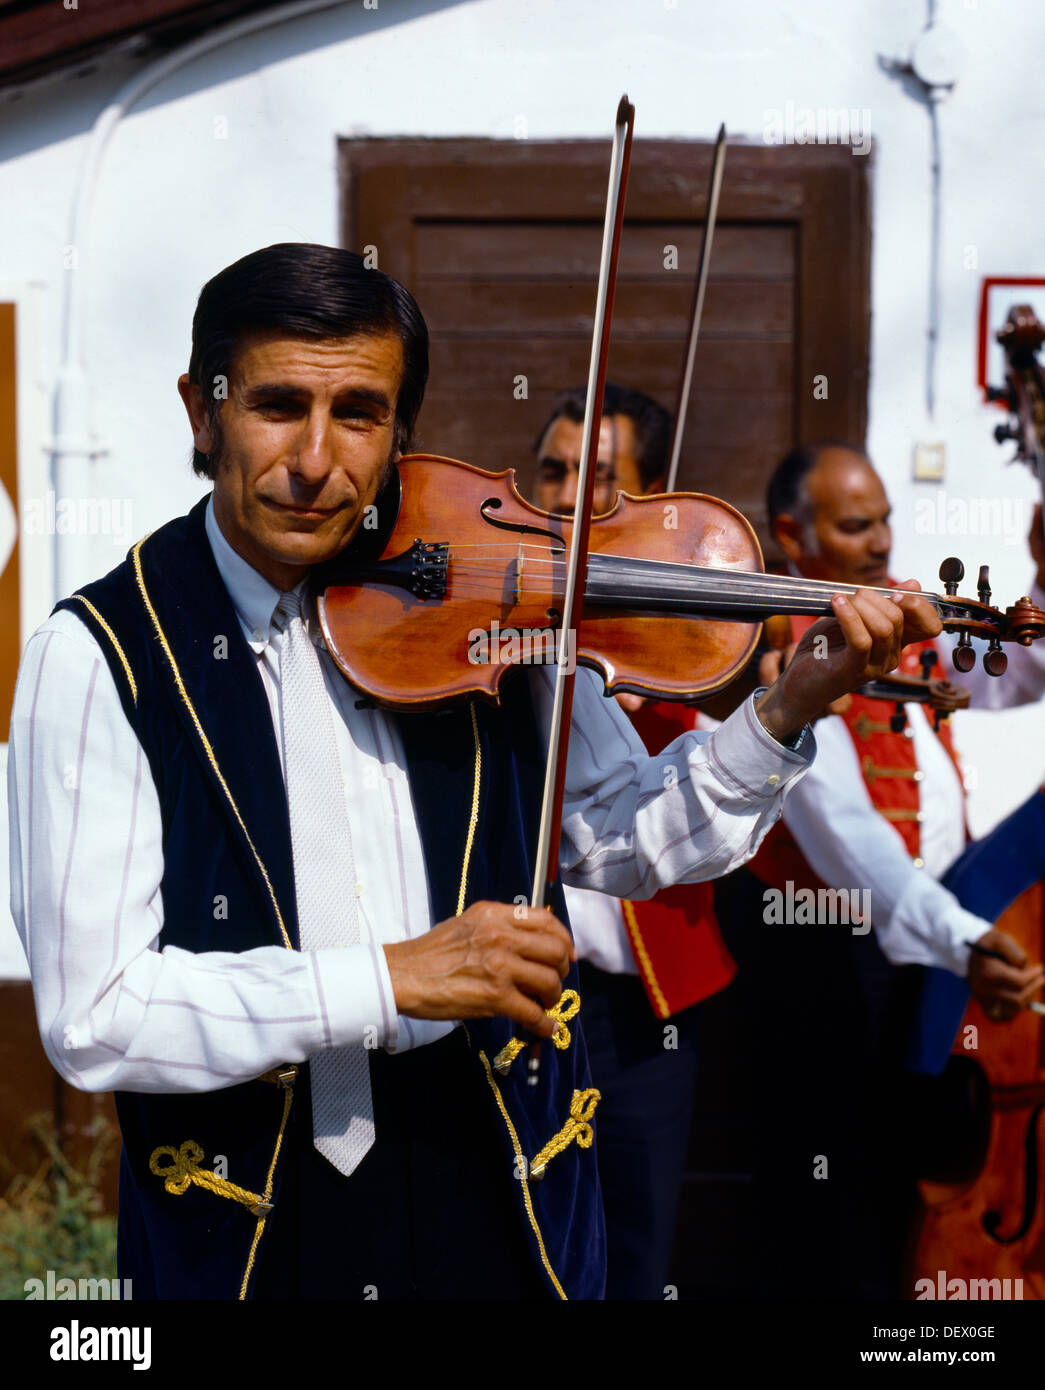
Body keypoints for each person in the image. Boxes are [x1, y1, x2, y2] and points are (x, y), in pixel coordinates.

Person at [6, 248, 938, 1302]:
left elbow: (630, 839)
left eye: (359, 412)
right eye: (278, 404)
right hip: (256, 1228)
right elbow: (96, 1011)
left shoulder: (493, 615)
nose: (317, 460)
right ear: (202, 410)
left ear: (402, 428)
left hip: (502, 1191)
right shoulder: (100, 654)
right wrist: (390, 978)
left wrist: (784, 708)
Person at [713, 440, 1045, 1297]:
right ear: (793, 533)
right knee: (824, 1193)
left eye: (886, 519)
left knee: (902, 1177)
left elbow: (1014, 673)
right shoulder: (789, 648)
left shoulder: (902, 613)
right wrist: (958, 936)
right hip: (826, 948)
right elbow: (850, 843)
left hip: (923, 938)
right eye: (856, 526)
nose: (881, 542)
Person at [531, 382, 737, 1299]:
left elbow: (684, 807)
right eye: (553, 470)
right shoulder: (491, 621)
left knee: (634, 1242)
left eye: (599, 479)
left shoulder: (680, 636)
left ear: (650, 501)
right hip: (513, 1000)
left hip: (637, 1012)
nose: (568, 494)